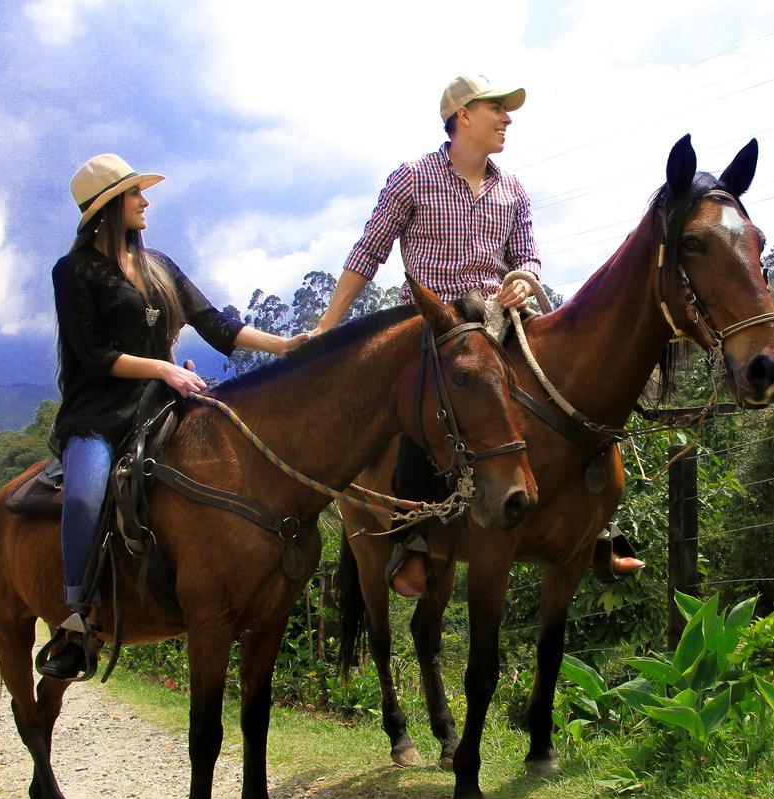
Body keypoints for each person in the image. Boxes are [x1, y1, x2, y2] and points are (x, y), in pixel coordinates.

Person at [310, 74, 642, 599]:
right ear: (463, 114)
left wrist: (522, 279)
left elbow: (528, 254)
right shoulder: (412, 178)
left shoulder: (513, 189)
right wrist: (330, 323)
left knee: (570, 383)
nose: (507, 119)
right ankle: (414, 541)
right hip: (436, 327)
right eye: (497, 109)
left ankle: (596, 525)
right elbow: (368, 252)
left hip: (501, 320)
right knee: (425, 403)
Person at [39, 153, 308, 680]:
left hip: (162, 402)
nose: (145, 200)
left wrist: (285, 345)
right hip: (99, 413)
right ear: (110, 206)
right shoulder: (72, 272)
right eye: (135, 193)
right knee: (83, 494)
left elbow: (216, 325)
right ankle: (77, 617)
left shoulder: (159, 264)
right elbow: (94, 357)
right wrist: (164, 367)